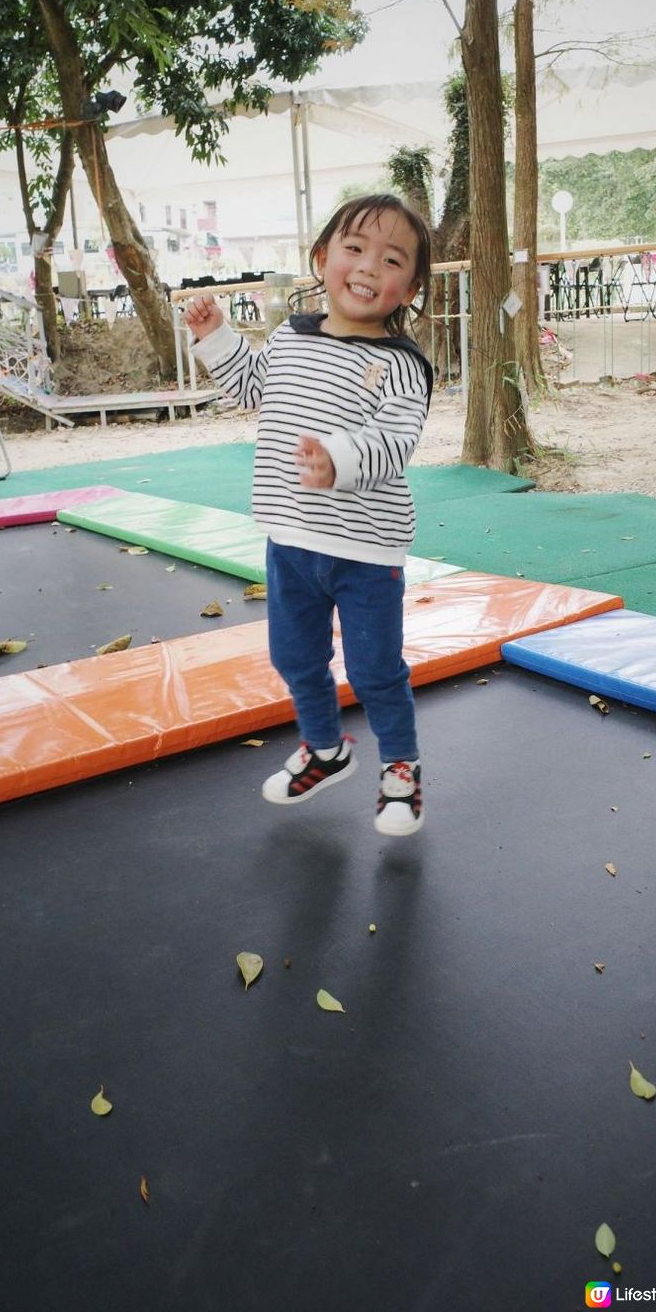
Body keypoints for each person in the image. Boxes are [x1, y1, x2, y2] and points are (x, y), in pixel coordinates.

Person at [185, 193, 434, 837]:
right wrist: (215, 336)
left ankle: (400, 768)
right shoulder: (290, 339)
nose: (368, 267)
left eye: (391, 259)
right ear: (323, 259)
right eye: (354, 249)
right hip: (291, 541)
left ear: (409, 288)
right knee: (295, 658)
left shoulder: (401, 365)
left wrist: (339, 461)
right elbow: (250, 387)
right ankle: (326, 751)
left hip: (366, 549)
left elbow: (394, 441)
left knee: (377, 668)